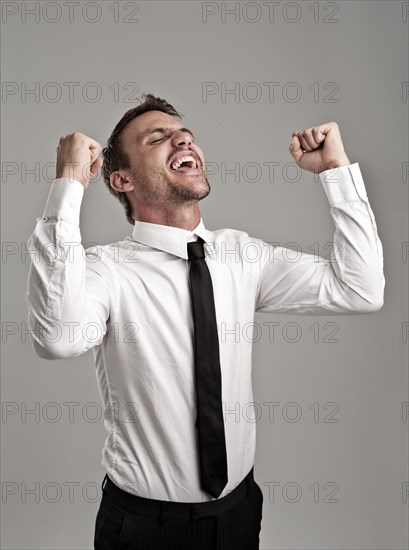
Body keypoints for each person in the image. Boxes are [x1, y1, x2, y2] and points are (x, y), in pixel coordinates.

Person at [26, 94, 385, 550]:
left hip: (238, 511)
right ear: (122, 179)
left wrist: (336, 171)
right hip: (143, 528)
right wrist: (69, 184)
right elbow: (57, 337)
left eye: (185, 134)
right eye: (158, 138)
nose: (182, 138)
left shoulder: (243, 255)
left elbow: (361, 289)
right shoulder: (105, 271)